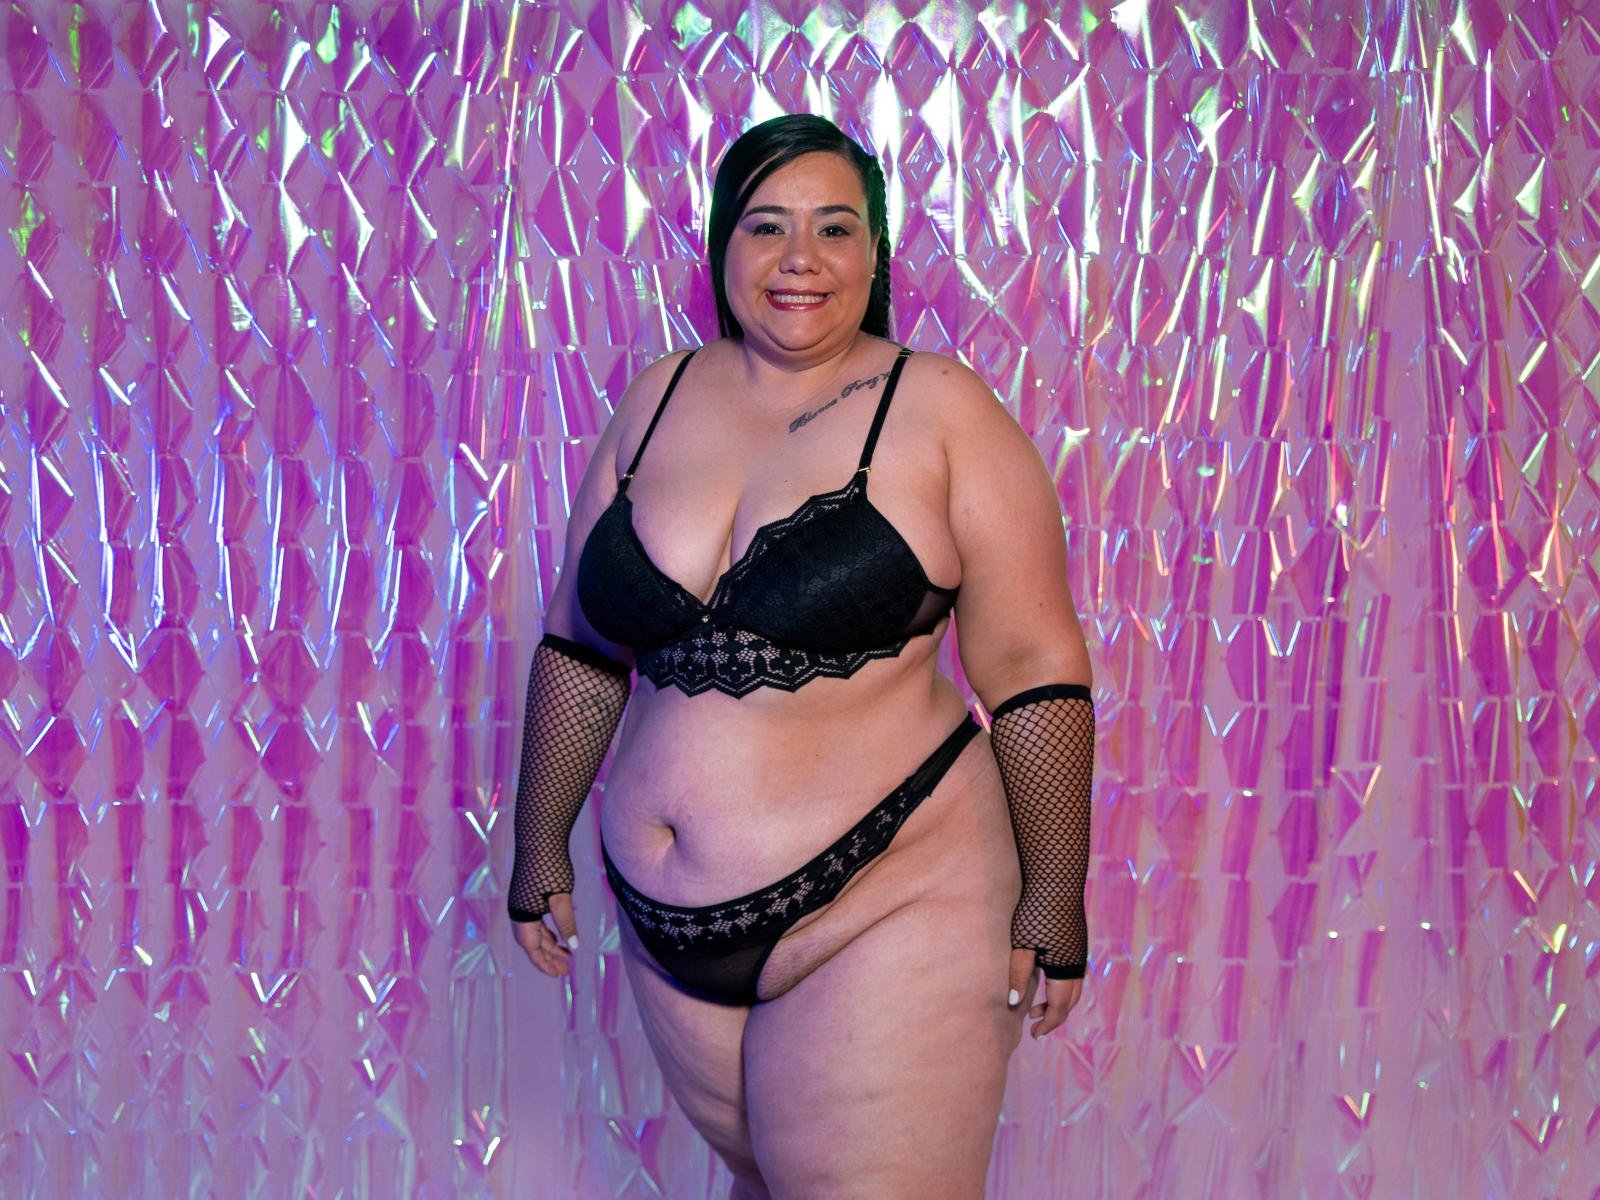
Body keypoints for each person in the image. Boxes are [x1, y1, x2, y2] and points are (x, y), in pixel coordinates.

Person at [509, 113, 1094, 1199]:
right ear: (723, 244)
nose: (800, 259)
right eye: (767, 226)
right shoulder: (657, 398)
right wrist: (537, 839)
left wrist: (1054, 894)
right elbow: (580, 646)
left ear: (875, 253)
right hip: (666, 933)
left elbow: (1033, 668)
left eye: (834, 228)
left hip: (891, 894)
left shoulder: (943, 409)